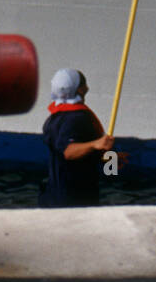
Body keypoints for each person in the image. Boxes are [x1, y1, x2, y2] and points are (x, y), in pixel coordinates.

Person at [38, 67, 113, 208]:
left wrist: (112, 159)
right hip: (74, 200)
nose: (87, 87)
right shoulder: (77, 118)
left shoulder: (55, 117)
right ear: (80, 90)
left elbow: (77, 152)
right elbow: (69, 151)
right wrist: (96, 144)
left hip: (53, 195)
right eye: (84, 84)